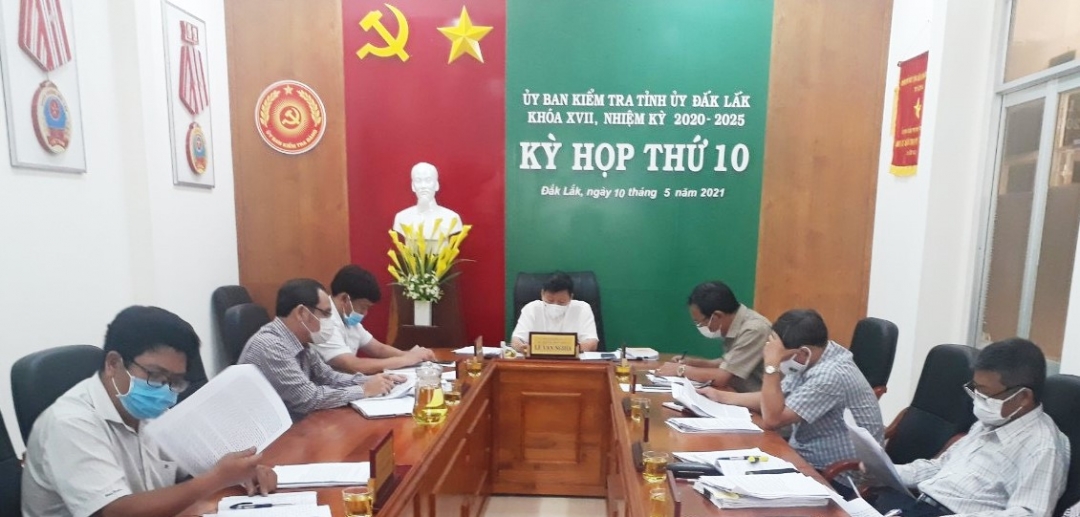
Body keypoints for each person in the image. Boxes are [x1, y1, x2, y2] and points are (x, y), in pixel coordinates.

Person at [22, 306, 277, 517]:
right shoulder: (69, 423)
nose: (165, 390)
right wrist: (217, 478)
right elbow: (114, 511)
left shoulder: (150, 411)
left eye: (174, 381)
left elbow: (193, 466)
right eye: (155, 375)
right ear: (113, 364)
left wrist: (242, 473)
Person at [871, 338, 1069, 517]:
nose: (978, 400)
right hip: (919, 504)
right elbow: (939, 468)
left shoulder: (1042, 446)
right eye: (975, 389)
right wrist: (884, 471)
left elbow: (1028, 513)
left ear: (1023, 397)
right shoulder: (991, 422)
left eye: (985, 393)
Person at [698, 308, 884, 471]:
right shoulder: (812, 357)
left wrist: (771, 365)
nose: (772, 355)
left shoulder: (829, 375)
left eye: (778, 353)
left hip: (835, 473)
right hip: (804, 454)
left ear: (803, 352)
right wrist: (720, 396)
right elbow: (777, 399)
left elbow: (773, 419)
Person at [239, 278, 400, 419]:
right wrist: (363, 390)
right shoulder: (271, 346)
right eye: (326, 313)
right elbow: (308, 399)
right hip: (268, 435)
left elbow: (329, 377)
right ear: (302, 313)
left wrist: (375, 380)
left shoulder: (303, 342)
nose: (330, 320)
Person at [313, 265, 436, 374]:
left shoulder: (347, 318)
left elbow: (378, 349)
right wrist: (405, 360)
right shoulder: (323, 323)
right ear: (344, 299)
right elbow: (353, 365)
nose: (365, 313)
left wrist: (412, 355)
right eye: (363, 307)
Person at [656, 281, 771, 392]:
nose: (701, 326)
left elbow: (721, 378)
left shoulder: (754, 330)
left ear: (716, 316)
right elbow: (729, 363)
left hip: (756, 401)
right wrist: (694, 363)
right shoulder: (737, 321)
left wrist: (680, 369)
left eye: (700, 323)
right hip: (735, 392)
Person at [511, 272, 600, 352]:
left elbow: (592, 343)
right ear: (542, 294)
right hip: (537, 361)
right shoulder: (531, 308)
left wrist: (570, 349)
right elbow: (516, 340)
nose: (555, 305)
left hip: (573, 362)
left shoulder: (582, 308)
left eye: (561, 302)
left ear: (571, 297)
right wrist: (521, 347)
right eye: (550, 301)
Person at [392, 162, 462, 241]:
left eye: (428, 180)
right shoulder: (401, 217)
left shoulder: (452, 218)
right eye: (418, 180)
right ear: (412, 186)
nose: (423, 186)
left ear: (436, 185)